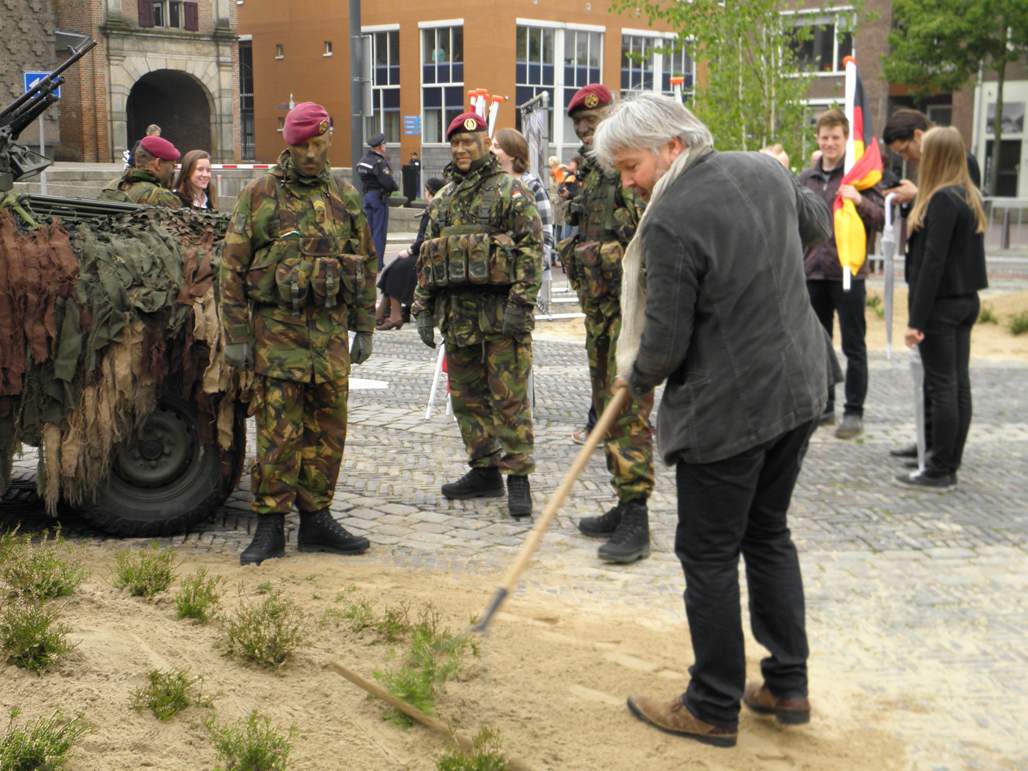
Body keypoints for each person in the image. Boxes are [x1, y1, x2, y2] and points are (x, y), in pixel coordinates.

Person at [593, 92, 837, 747]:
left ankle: (711, 703)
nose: (628, 182)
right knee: (767, 532)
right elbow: (814, 222)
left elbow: (666, 345)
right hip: (800, 389)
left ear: (672, 146)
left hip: (731, 412)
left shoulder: (672, 218)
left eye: (630, 166)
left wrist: (632, 378)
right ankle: (788, 683)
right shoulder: (762, 170)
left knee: (706, 552)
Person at [219, 101, 377, 565]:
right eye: (301, 146)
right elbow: (230, 268)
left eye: (317, 143)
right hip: (277, 340)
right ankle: (270, 526)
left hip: (328, 340)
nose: (310, 153)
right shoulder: (261, 195)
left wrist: (364, 326)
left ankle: (316, 520)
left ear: (330, 139)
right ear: (288, 145)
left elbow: (365, 264)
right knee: (278, 434)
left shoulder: (344, 197)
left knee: (328, 432)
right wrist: (237, 336)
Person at [412, 112, 543, 518]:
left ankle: (518, 478)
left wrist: (521, 306)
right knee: (467, 399)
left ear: (486, 144)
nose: (461, 149)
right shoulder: (445, 199)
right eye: (455, 143)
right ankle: (484, 470)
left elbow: (532, 251)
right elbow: (429, 255)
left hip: (501, 317)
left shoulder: (510, 192)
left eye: (470, 142)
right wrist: (422, 307)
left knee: (509, 401)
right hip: (458, 319)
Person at [560, 83, 654, 564]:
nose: (585, 132)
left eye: (592, 125)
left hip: (629, 310)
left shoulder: (629, 170)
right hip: (599, 310)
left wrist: (591, 255)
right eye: (579, 126)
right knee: (605, 405)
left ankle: (637, 515)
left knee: (629, 407)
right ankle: (623, 501)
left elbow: (644, 242)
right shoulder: (590, 175)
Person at [897, 127, 988, 489]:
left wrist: (915, 320)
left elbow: (931, 264)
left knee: (943, 387)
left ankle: (940, 468)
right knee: (957, 385)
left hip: (942, 306)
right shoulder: (967, 195)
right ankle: (949, 459)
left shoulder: (941, 200)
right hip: (966, 300)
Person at [798, 109, 884, 439]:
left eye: (836, 137)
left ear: (846, 139)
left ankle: (854, 411)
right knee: (819, 344)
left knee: (853, 345)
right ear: (818, 140)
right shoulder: (806, 178)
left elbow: (879, 218)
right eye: (825, 137)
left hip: (848, 272)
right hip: (814, 272)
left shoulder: (857, 176)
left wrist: (859, 199)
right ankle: (824, 405)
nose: (830, 143)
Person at [376, 177, 445, 330]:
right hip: (425, 252)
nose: (425, 194)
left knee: (399, 269)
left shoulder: (437, 210)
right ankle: (387, 312)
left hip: (432, 255)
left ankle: (393, 315)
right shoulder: (430, 209)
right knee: (393, 267)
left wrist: (409, 250)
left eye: (426, 191)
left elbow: (426, 239)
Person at [882, 108, 982, 206]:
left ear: (918, 135)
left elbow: (964, 206)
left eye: (905, 150)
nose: (906, 158)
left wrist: (916, 195)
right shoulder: (933, 164)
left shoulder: (960, 160)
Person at [491, 128, 554, 270]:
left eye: (496, 147)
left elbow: (547, 235)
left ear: (512, 154)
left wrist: (530, 271)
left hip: (524, 275)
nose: (490, 150)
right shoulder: (492, 185)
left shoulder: (532, 186)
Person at [101, 135, 183, 207]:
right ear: (157, 163)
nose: (173, 169)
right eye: (173, 165)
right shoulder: (162, 198)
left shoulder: (112, 185)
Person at [357, 132, 399, 270]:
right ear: (380, 147)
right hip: (378, 198)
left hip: (367, 197)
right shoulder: (379, 162)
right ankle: (377, 264)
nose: (385, 146)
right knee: (379, 233)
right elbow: (387, 181)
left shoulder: (364, 160)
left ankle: (367, 262)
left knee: (368, 231)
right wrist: (395, 187)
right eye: (384, 144)